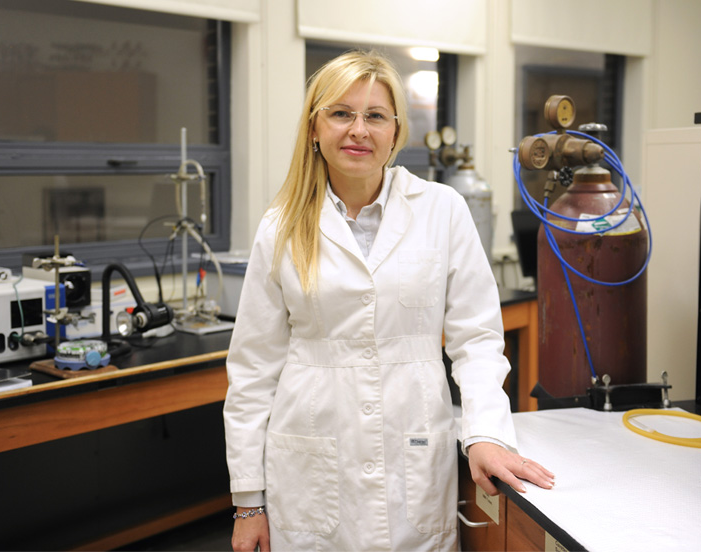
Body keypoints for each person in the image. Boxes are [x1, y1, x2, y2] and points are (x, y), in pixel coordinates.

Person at [223, 49, 554, 552]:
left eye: (375, 116)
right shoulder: (281, 226)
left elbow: (478, 340)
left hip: (414, 453)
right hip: (310, 462)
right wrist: (249, 502)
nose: (359, 129)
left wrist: (485, 432)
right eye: (341, 113)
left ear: (396, 133)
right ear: (314, 128)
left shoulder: (443, 210)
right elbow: (252, 370)